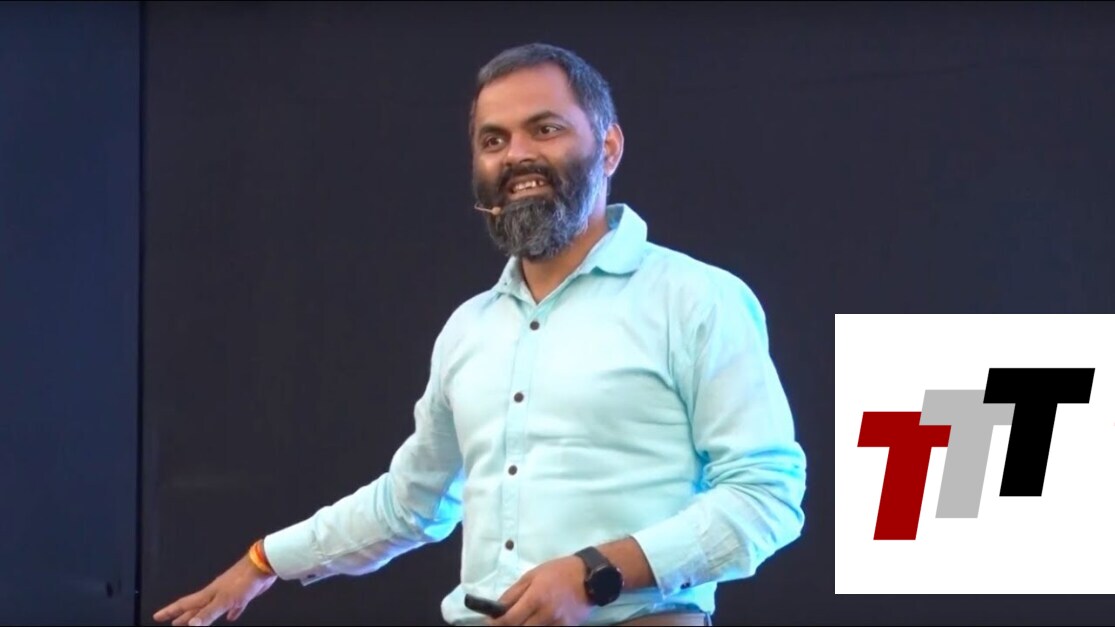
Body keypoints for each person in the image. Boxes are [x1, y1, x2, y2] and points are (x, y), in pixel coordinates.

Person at [153, 42, 807, 627]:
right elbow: (409, 504)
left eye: (545, 129)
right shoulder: (469, 328)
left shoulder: (694, 297)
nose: (516, 154)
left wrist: (595, 573)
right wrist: (265, 559)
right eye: (493, 140)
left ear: (608, 147)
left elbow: (766, 498)